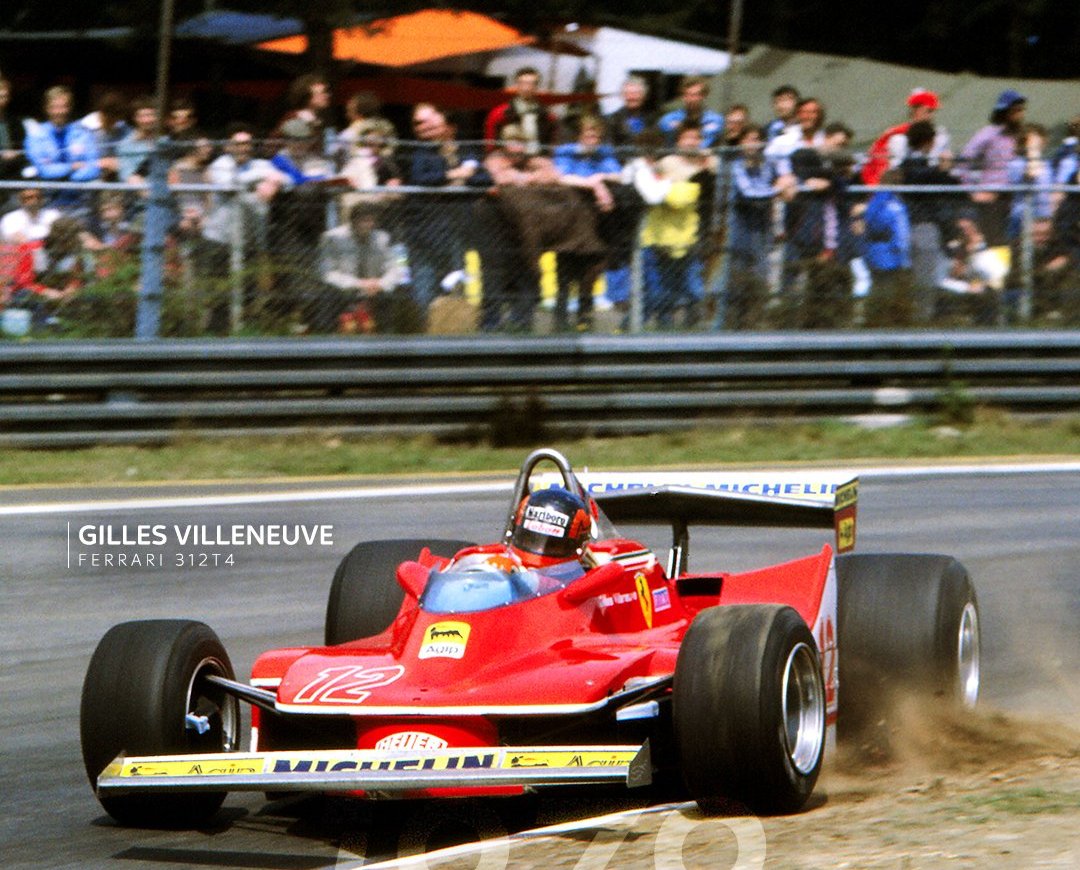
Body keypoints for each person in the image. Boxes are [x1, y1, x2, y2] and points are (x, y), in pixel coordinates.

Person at [405, 103, 491, 310]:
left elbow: (485, 179)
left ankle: (451, 324)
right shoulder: (418, 152)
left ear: (445, 125)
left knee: (454, 282)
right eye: (418, 123)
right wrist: (452, 175)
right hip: (424, 230)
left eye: (430, 122)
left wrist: (464, 178)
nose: (425, 127)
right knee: (424, 284)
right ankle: (423, 324)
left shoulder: (465, 151)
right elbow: (420, 178)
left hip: (457, 229)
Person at [640, 122, 717, 329]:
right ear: (678, 141)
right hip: (663, 234)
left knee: (693, 287)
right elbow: (662, 194)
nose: (691, 142)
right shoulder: (667, 163)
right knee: (661, 289)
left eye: (696, 138)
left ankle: (691, 327)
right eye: (686, 138)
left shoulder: (709, 164)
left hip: (693, 233)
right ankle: (656, 327)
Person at [314, 202, 406, 333]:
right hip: (343, 292)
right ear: (353, 221)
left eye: (372, 221)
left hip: (375, 292)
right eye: (364, 221)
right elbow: (327, 273)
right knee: (327, 296)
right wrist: (359, 284)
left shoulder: (383, 238)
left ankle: (386, 336)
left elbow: (396, 269)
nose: (369, 225)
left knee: (394, 294)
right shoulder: (332, 238)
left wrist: (381, 283)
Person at [725, 125, 780, 328]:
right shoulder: (735, 166)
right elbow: (748, 192)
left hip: (762, 226)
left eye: (757, 139)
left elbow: (779, 184)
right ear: (741, 142)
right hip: (740, 226)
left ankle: (757, 318)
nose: (753, 144)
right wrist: (776, 190)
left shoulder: (767, 166)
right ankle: (734, 320)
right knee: (738, 274)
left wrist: (780, 186)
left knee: (761, 272)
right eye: (748, 139)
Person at [959, 89, 1027, 247]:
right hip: (993, 199)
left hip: (1016, 198)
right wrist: (973, 192)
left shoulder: (1021, 136)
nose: (1020, 114)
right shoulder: (989, 134)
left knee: (1017, 242)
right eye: (1016, 110)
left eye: (1022, 110)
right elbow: (963, 162)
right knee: (995, 242)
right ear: (1004, 112)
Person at [23, 85, 100, 211]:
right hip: (47, 200)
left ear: (70, 108)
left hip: (80, 198)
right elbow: (43, 170)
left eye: (63, 106)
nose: (59, 112)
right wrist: (71, 167)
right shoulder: (35, 135)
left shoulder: (83, 133)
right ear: (47, 109)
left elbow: (93, 167)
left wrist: (69, 179)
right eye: (54, 107)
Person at [861, 89, 950, 185]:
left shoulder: (939, 135)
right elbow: (879, 165)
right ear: (916, 110)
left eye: (933, 112)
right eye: (929, 111)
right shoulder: (896, 135)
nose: (932, 116)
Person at [861, 169, 914, 326]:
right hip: (891, 257)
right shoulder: (895, 206)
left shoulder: (873, 201)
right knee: (890, 296)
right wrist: (905, 260)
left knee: (876, 291)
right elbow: (901, 236)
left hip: (873, 253)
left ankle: (872, 322)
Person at [508, 486, 592, 569]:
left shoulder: (589, 575)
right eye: (530, 541)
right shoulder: (503, 567)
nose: (539, 550)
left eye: (553, 545)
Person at [483, 67, 559, 153]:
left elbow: (551, 143)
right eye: (522, 83)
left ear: (537, 86)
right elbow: (490, 142)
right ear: (516, 85)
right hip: (506, 156)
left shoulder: (547, 116)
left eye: (532, 84)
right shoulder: (499, 113)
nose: (526, 88)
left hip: (536, 156)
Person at [657, 75, 724, 147]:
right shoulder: (669, 118)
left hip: (704, 153)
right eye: (688, 94)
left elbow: (711, 137)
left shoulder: (715, 119)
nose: (692, 99)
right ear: (682, 96)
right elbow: (664, 129)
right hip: (676, 153)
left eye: (696, 95)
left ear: (704, 96)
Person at [604, 75, 656, 149]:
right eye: (628, 94)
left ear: (644, 96)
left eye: (636, 93)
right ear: (622, 96)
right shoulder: (612, 120)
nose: (632, 97)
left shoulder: (652, 119)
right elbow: (609, 147)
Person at [0, 76, 29, 182]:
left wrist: (15, 153)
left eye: (5, 96)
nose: (3, 100)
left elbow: (22, 148)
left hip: (14, 169)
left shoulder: (16, 122)